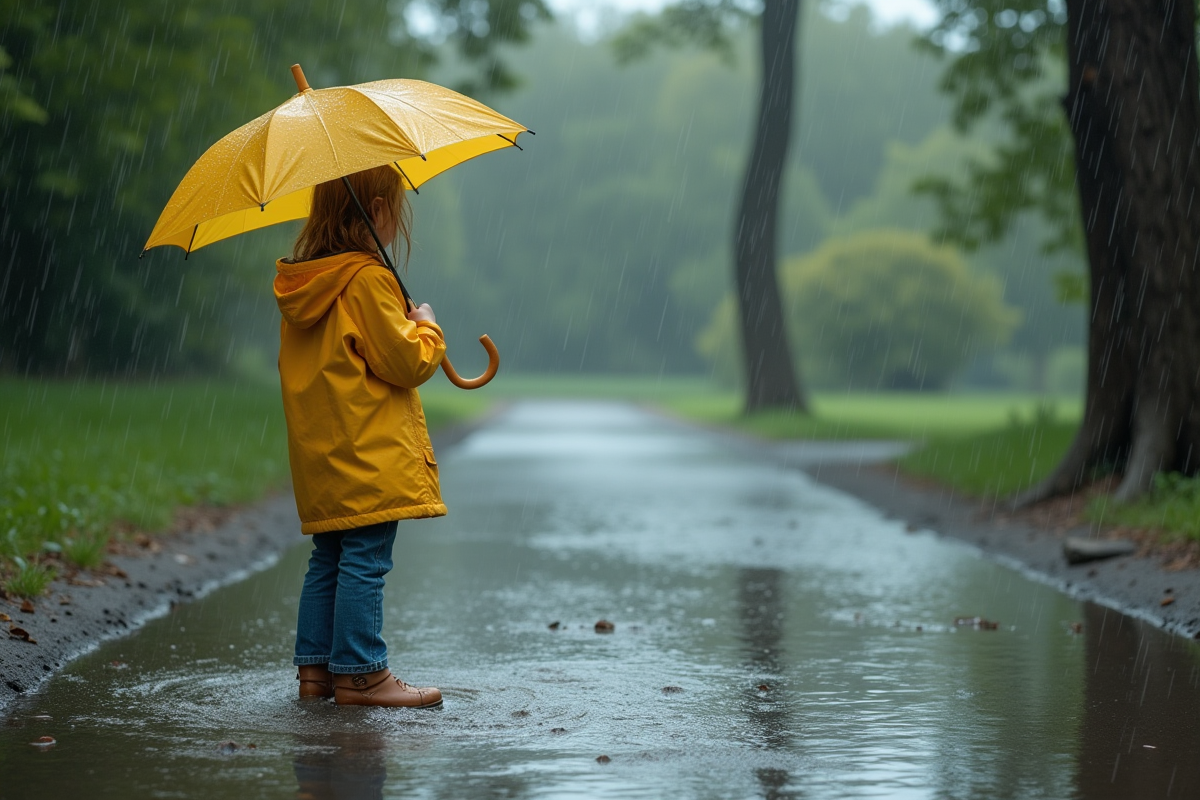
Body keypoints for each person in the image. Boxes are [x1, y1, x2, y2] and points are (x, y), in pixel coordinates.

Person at [273, 165, 445, 708]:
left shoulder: (306, 285)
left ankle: (318, 672)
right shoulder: (367, 279)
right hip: (368, 454)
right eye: (395, 206)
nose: (397, 218)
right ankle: (362, 674)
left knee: (329, 557)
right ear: (374, 210)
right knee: (366, 559)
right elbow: (405, 361)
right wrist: (427, 327)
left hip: (325, 456)